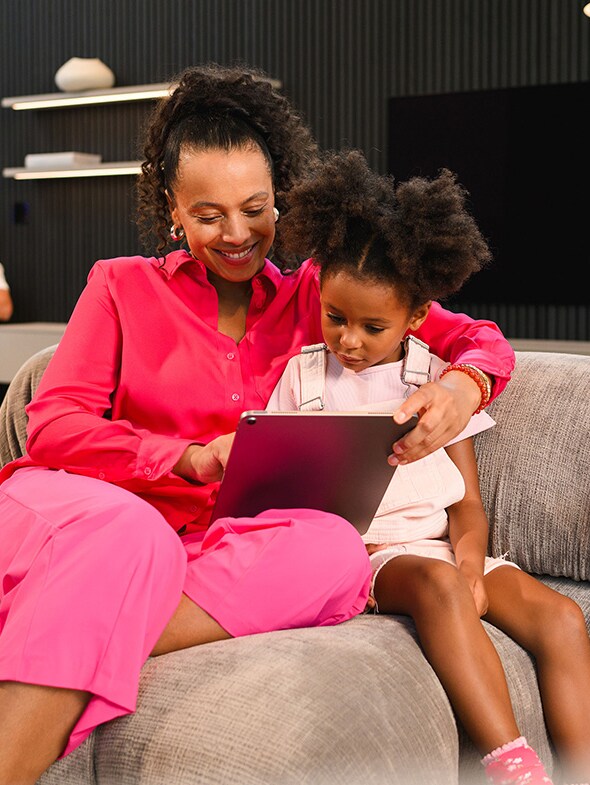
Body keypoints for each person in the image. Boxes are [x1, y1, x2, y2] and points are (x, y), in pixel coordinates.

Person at [0, 64, 515, 785]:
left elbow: (476, 336)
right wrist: (183, 457)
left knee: (335, 549)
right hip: (90, 513)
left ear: (283, 198)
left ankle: (65, 620)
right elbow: (53, 426)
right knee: (131, 534)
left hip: (210, 548)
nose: (237, 234)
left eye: (256, 208)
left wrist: (464, 386)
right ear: (172, 209)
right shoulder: (118, 285)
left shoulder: (318, 294)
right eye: (208, 215)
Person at [267, 149, 590, 785]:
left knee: (562, 616)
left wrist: (472, 566)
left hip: (445, 550)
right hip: (374, 557)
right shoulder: (302, 380)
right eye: (334, 317)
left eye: (371, 326)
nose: (348, 340)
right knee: (441, 590)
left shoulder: (435, 383)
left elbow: (466, 504)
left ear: (415, 319)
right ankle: (512, 765)